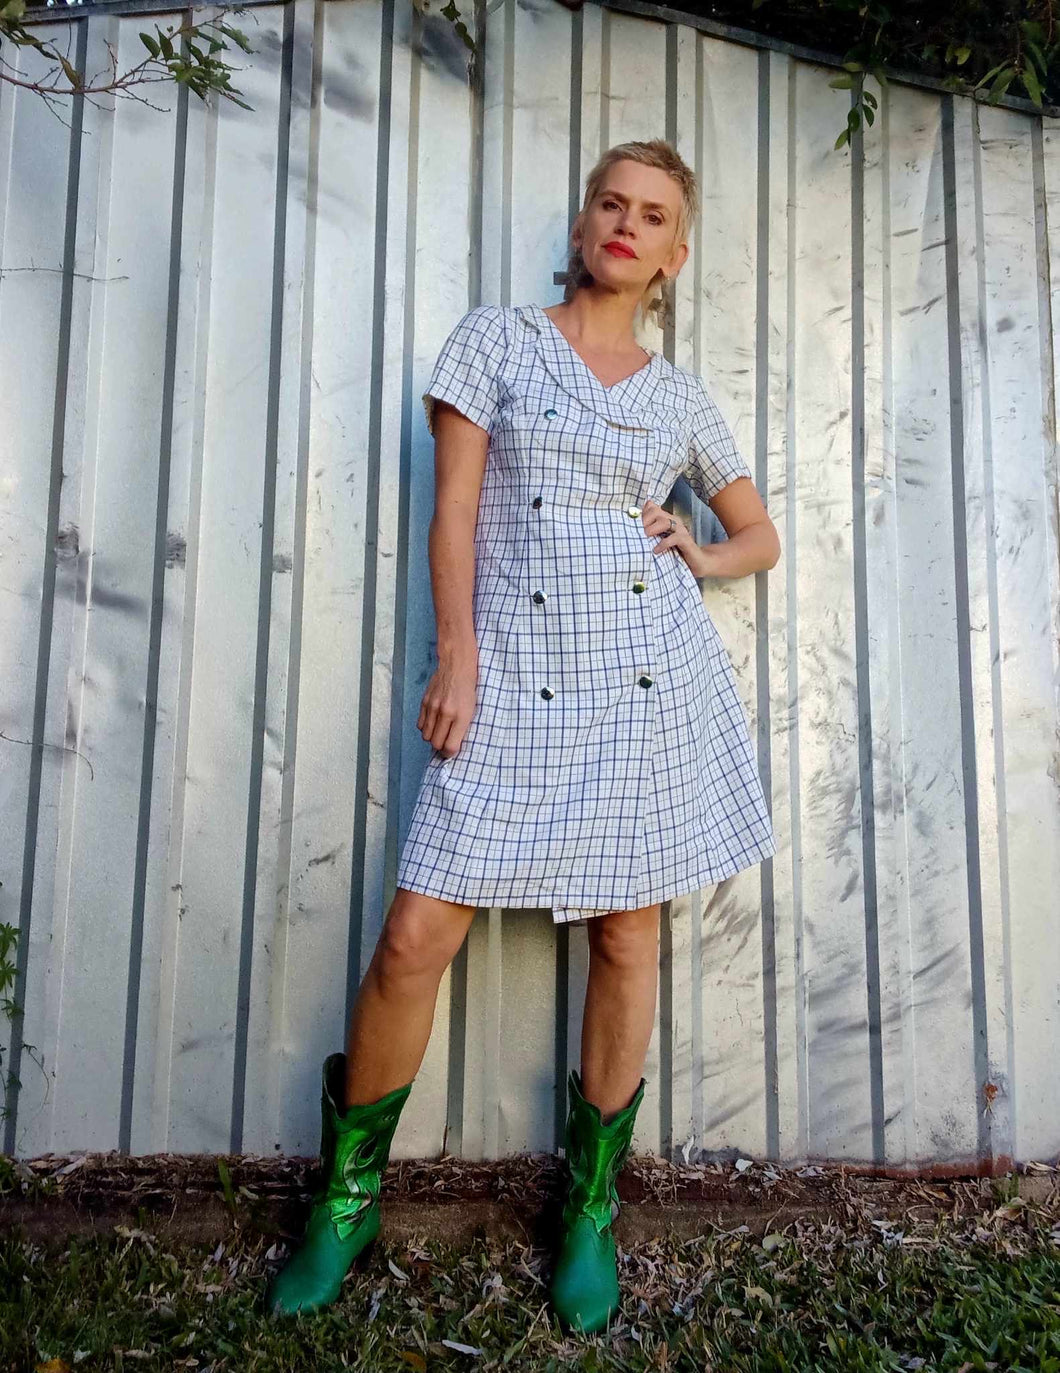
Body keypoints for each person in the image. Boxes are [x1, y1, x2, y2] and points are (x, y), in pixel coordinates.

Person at [266, 138, 780, 1334]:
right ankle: (347, 1198)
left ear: (671, 255)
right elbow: (453, 507)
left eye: (652, 215)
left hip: (644, 681)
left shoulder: (681, 397)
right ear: (584, 218)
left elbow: (758, 534)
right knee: (411, 936)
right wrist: (458, 652)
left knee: (625, 938)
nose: (626, 224)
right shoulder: (496, 340)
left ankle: (589, 1206)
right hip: (512, 674)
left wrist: (698, 550)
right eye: (612, 202)